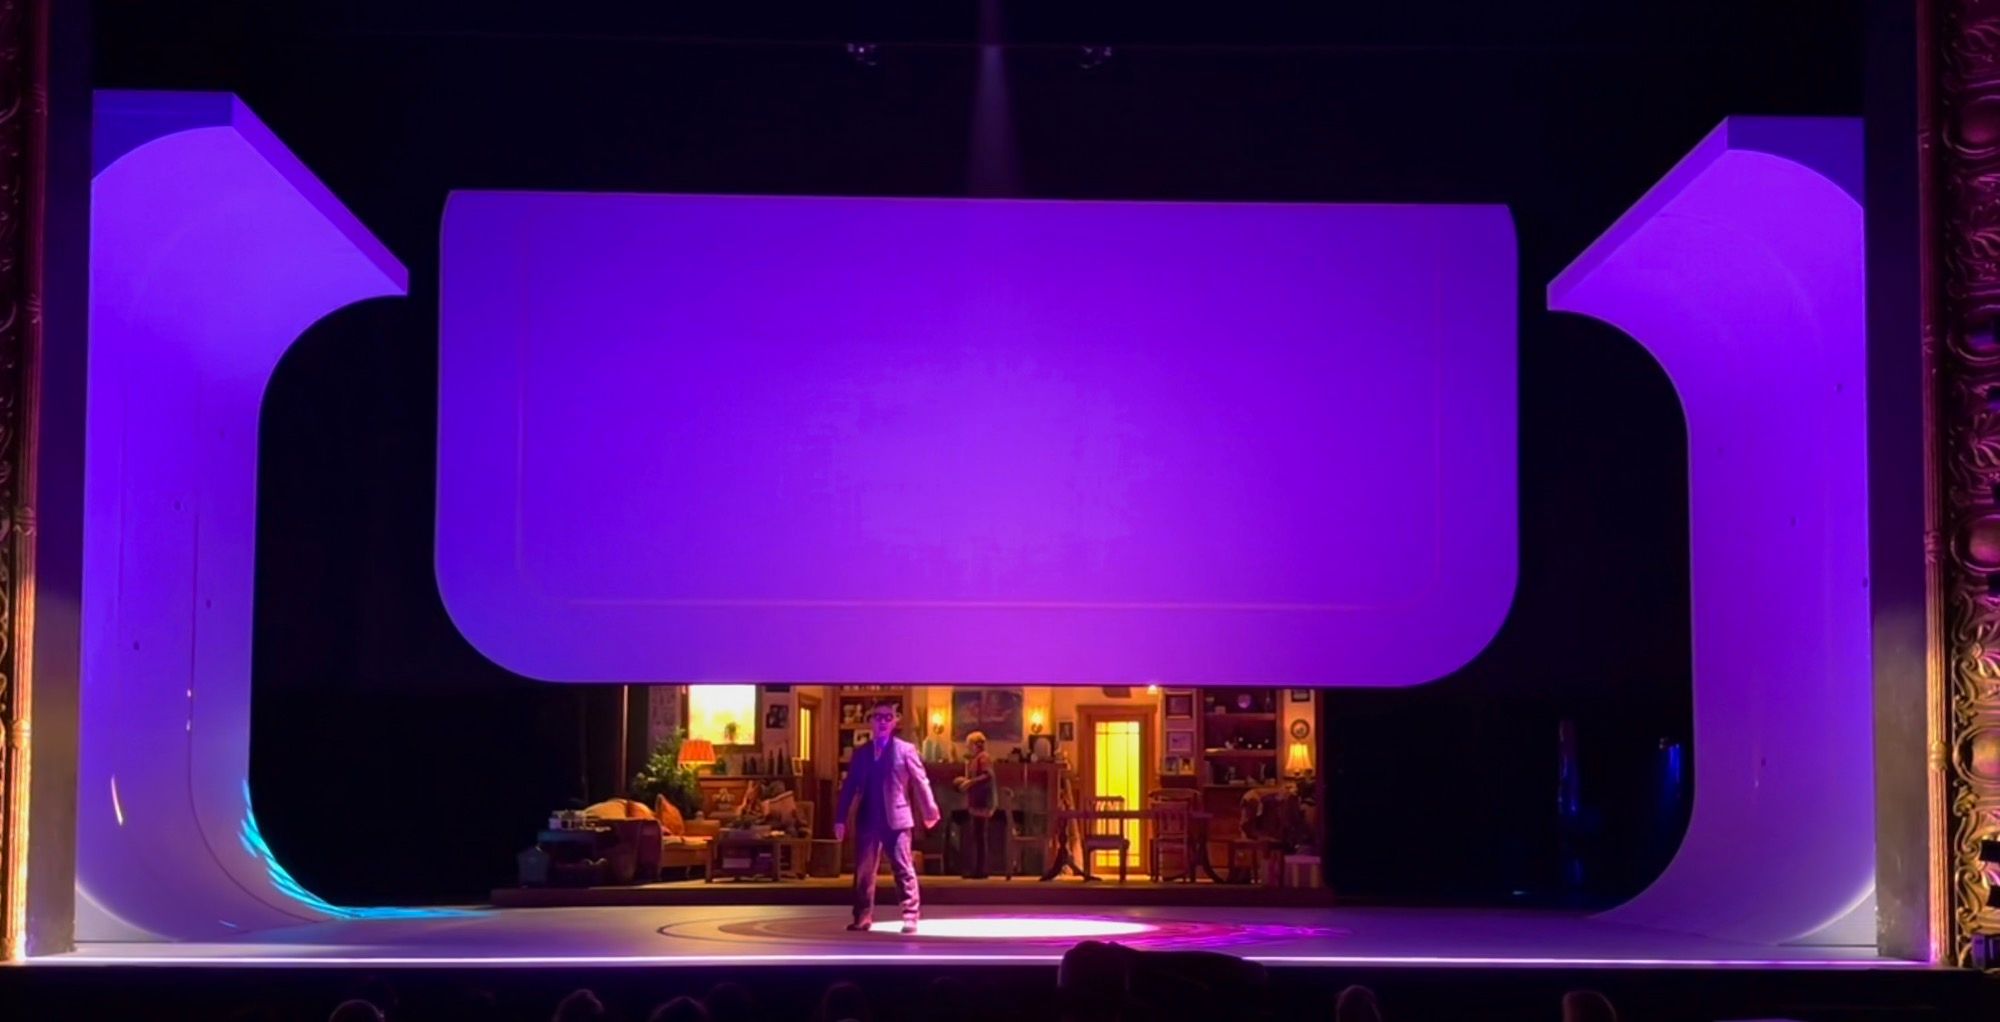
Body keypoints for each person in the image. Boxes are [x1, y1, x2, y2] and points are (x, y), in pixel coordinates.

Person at [835, 698, 941, 933]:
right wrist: (840, 818)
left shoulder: (905, 750)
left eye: (887, 717)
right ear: (870, 721)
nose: (882, 722)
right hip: (868, 817)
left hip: (897, 819)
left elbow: (921, 781)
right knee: (863, 872)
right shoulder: (861, 753)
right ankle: (862, 917)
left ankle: (910, 915)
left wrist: (930, 810)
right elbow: (849, 787)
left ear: (895, 721)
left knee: (903, 867)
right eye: (878, 717)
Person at [952, 731, 996, 878]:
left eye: (969, 744)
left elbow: (988, 775)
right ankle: (977, 869)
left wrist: (970, 782)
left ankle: (981, 870)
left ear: (974, 744)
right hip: (977, 801)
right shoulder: (976, 759)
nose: (967, 747)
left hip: (982, 802)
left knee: (980, 836)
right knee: (977, 836)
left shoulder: (983, 758)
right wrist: (966, 781)